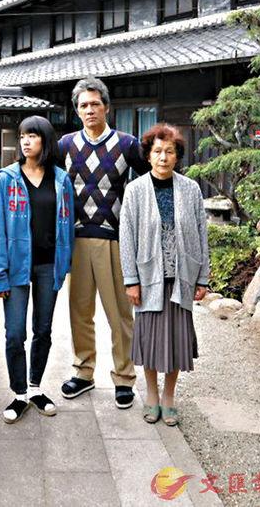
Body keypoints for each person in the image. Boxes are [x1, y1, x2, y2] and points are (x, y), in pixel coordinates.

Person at [59, 76, 149, 409]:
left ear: (107, 107)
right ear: (77, 110)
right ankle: (83, 372)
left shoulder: (127, 144)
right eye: (83, 105)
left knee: (119, 313)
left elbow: (149, 182)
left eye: (95, 103)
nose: (89, 110)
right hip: (77, 238)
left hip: (114, 239)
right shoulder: (65, 145)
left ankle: (124, 377)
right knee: (79, 311)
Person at [119, 123, 210, 426]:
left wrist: (202, 277)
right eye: (157, 151)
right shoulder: (135, 190)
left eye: (169, 151)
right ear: (148, 155)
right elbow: (126, 238)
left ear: (177, 156)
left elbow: (201, 233)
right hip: (148, 278)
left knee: (176, 341)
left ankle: (169, 397)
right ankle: (151, 395)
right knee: (149, 340)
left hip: (181, 277)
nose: (163, 157)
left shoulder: (191, 189)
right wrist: (131, 280)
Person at [0, 116, 75, 423]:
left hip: (48, 265)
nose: (26, 141)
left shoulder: (61, 180)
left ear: (45, 141)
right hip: (16, 267)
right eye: (23, 136)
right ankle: (19, 393)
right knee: (14, 333)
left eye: (33, 136)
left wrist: (64, 264)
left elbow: (68, 227)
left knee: (43, 330)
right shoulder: (7, 179)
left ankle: (35, 387)